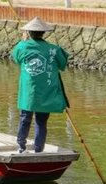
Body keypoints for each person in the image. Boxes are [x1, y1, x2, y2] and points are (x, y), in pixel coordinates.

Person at [13, 17, 69, 154]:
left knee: (25, 118)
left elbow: (16, 59)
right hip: (46, 92)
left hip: (29, 91)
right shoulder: (54, 49)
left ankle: (21, 146)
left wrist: (24, 40)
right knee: (41, 121)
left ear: (29, 33)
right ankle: (38, 149)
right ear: (43, 33)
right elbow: (63, 65)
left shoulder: (22, 46)